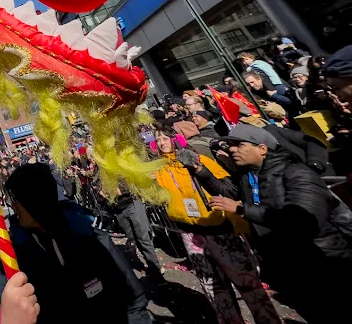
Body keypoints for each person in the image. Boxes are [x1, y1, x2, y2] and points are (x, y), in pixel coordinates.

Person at [191, 123, 352, 323]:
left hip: (325, 264)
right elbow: (231, 193)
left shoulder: (295, 172)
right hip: (286, 266)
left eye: (239, 144)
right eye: (229, 145)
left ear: (262, 148)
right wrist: (201, 170)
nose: (231, 150)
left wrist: (242, 209)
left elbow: (303, 221)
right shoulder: (246, 175)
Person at [152, 127, 281, 324]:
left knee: (246, 283)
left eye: (164, 138)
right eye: (157, 140)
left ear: (175, 139)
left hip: (219, 230)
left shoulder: (199, 159)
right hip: (190, 233)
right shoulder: (158, 169)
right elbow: (157, 198)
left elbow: (229, 189)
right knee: (213, 287)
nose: (162, 143)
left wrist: (198, 169)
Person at [5, 163, 152, 324]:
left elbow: (133, 298)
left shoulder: (90, 237)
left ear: (32, 201)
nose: (13, 206)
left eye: (16, 200)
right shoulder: (19, 255)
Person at [109, 183, 164, 283]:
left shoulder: (119, 168)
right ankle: (151, 265)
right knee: (133, 238)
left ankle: (156, 268)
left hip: (132, 204)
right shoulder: (99, 170)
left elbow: (131, 181)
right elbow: (97, 184)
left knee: (142, 237)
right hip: (118, 210)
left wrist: (121, 190)